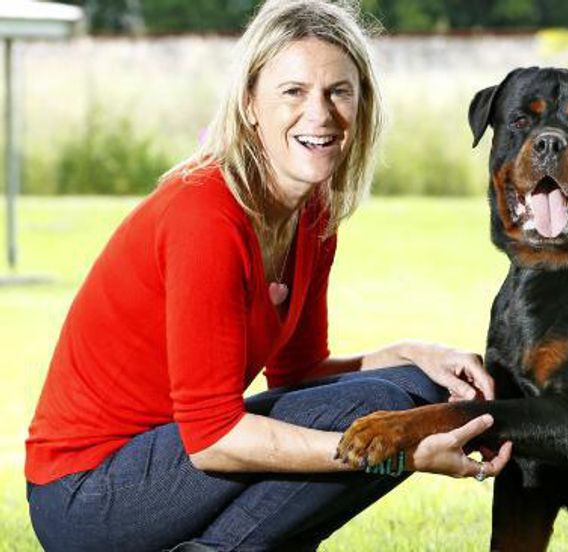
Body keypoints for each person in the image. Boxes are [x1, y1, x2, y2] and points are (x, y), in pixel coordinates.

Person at [24, 1, 512, 550]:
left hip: (174, 459)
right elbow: (213, 439)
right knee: (385, 415)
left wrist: (412, 352)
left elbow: (298, 373)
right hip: (88, 493)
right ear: (250, 103)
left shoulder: (313, 215)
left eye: (338, 91)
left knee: (421, 390)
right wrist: (402, 452)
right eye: (293, 92)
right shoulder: (204, 213)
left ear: (363, 105)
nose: (319, 114)